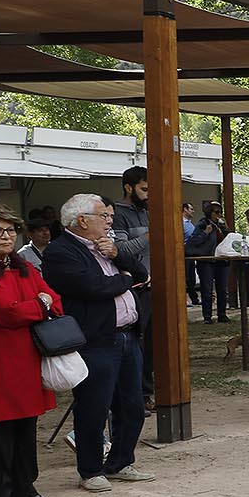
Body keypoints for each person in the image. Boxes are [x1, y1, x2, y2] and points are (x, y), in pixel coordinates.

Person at [39, 195, 154, 492]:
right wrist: (126, 279)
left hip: (128, 334)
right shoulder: (60, 251)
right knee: (94, 406)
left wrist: (118, 255)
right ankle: (90, 470)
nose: (109, 221)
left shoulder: (107, 246)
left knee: (132, 404)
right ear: (82, 220)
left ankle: (120, 462)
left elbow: (142, 273)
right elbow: (95, 288)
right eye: (104, 216)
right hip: (96, 340)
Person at [0, 202, 65, 497]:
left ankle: (25, 490)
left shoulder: (20, 264)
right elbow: (6, 312)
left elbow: (55, 298)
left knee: (26, 428)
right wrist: (39, 305)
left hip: (27, 359)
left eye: (10, 230)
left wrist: (38, 304)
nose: (6, 236)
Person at [110, 166, 155, 406]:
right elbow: (122, 251)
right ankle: (135, 395)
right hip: (135, 286)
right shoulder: (118, 214)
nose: (148, 194)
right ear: (129, 187)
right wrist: (149, 236)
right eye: (144, 189)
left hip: (156, 284)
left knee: (153, 343)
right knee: (138, 340)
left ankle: (147, 392)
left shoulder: (149, 211)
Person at [185, 201, 232, 323]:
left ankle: (222, 314)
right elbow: (193, 241)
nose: (219, 215)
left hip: (222, 260)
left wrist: (225, 228)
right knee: (207, 289)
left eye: (220, 212)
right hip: (207, 261)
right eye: (216, 212)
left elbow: (229, 239)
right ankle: (207, 316)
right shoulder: (202, 224)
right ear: (209, 213)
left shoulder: (221, 226)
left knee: (222, 289)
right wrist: (206, 233)